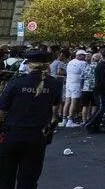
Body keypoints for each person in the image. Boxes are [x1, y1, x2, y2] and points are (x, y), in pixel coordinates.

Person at [0, 49, 62, 189]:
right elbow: (54, 114)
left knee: (5, 178)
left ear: (29, 64)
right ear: (47, 65)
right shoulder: (55, 84)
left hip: (12, 134)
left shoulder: (16, 83)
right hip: (37, 136)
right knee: (29, 179)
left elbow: (1, 111)